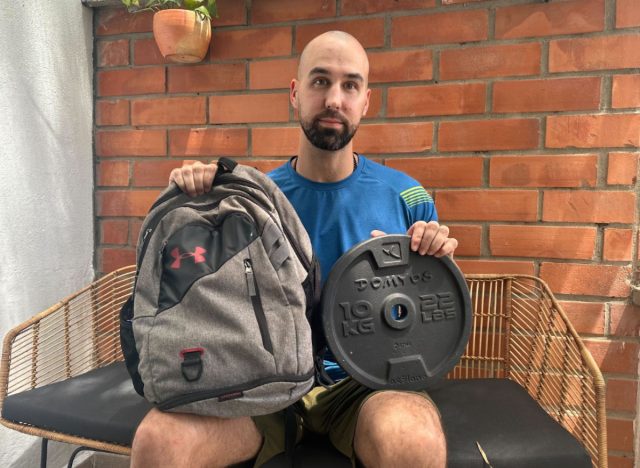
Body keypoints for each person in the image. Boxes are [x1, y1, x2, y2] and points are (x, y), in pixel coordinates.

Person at [131, 31, 456, 468]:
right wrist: (196, 197)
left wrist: (434, 260)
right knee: (159, 442)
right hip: (263, 382)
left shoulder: (407, 198)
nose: (334, 99)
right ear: (295, 92)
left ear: (366, 101)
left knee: (411, 441)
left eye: (350, 85)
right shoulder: (250, 202)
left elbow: (436, 319)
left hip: (366, 389)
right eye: (320, 82)